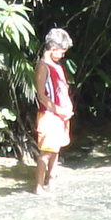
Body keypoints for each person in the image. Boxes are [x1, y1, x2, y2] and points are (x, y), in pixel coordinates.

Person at [33, 28, 73, 193]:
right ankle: (39, 186)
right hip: (50, 114)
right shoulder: (43, 67)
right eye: (62, 52)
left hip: (60, 115)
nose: (63, 55)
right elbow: (42, 95)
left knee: (55, 150)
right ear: (53, 49)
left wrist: (66, 110)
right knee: (46, 152)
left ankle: (52, 182)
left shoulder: (57, 66)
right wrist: (59, 111)